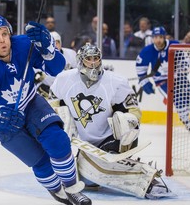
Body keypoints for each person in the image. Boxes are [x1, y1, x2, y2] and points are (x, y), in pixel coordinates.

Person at [0, 15, 91, 205]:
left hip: (31, 103)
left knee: (57, 140)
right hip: (4, 122)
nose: (2, 40)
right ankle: (57, 190)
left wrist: (48, 50)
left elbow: (56, 69)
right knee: (39, 161)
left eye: (4, 34)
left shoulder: (24, 44)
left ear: (10, 33)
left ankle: (72, 188)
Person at [50, 43, 173, 199]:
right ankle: (124, 170)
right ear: (81, 61)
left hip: (114, 139)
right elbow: (53, 101)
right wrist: (61, 118)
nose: (93, 63)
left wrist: (129, 122)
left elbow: (134, 111)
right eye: (89, 59)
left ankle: (147, 180)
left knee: (96, 167)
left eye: (96, 58)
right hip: (87, 144)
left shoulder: (115, 81)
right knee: (87, 177)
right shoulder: (64, 80)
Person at [136, 26, 190, 133]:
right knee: (177, 99)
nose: (158, 40)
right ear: (153, 38)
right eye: (156, 37)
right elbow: (140, 67)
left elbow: (184, 57)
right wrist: (144, 82)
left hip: (178, 76)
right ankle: (187, 122)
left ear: (164, 37)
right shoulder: (147, 51)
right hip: (161, 81)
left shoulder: (174, 45)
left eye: (160, 37)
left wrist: (182, 69)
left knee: (189, 96)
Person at [34, 31, 77, 98]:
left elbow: (78, 74)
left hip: (67, 92)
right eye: (52, 43)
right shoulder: (39, 57)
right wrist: (40, 86)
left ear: (60, 43)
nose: (55, 46)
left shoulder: (71, 54)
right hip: (46, 93)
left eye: (57, 42)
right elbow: (35, 77)